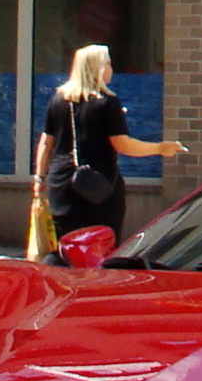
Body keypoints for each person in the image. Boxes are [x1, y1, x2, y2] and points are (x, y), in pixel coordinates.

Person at [32, 43, 186, 236]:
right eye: (108, 64)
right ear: (97, 68)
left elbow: (46, 142)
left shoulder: (59, 100)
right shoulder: (106, 102)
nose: (111, 69)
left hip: (61, 186)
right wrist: (160, 148)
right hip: (98, 187)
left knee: (66, 247)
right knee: (99, 248)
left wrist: (39, 178)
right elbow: (122, 144)